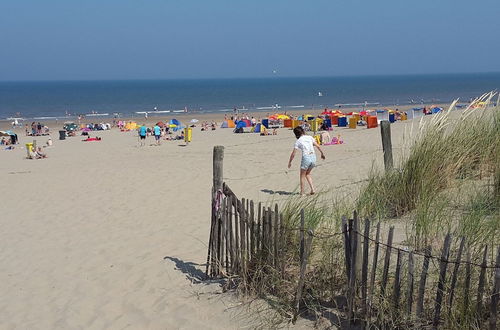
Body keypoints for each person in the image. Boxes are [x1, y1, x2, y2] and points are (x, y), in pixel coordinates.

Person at [288, 126, 325, 196]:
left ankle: (302, 192)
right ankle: (313, 189)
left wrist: (290, 162)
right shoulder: (310, 137)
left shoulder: (298, 141)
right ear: (303, 131)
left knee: (302, 176)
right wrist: (322, 154)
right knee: (308, 174)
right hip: (313, 157)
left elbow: (293, 154)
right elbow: (318, 146)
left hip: (306, 157)